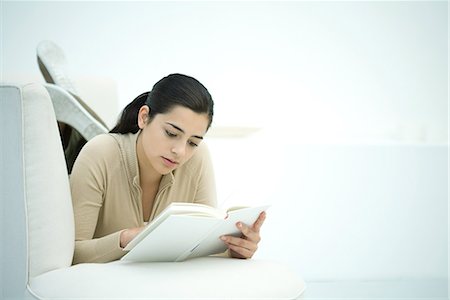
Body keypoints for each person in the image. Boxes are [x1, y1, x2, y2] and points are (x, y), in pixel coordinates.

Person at [70, 73, 266, 264]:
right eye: (171, 133)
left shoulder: (197, 157)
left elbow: (199, 247)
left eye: (193, 142)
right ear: (144, 117)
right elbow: (73, 253)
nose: (180, 151)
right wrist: (127, 238)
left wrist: (234, 249)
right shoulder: (100, 153)